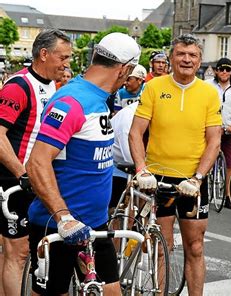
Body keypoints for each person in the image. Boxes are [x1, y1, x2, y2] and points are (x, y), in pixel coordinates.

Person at [25, 32, 140, 295]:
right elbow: (37, 162)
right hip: (58, 226)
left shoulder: (99, 98)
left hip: (95, 224)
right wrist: (64, 218)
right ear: (124, 69)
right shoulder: (72, 101)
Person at [129, 34, 222, 296]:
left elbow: (214, 140)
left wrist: (199, 177)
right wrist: (141, 169)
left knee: (195, 247)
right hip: (156, 178)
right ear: (171, 58)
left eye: (192, 55)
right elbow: (136, 133)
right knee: (161, 246)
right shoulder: (154, 87)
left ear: (200, 61)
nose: (186, 59)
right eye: (181, 54)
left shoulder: (208, 92)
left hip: (192, 181)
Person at [0, 28, 72, 295]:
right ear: (44, 54)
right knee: (16, 252)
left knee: (21, 252)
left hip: (35, 181)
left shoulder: (52, 85)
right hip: (14, 182)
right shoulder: (19, 86)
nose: (67, 64)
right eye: (63, 57)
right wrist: (22, 174)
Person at [206, 57, 231, 208]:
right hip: (210, 130)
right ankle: (201, 190)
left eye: (227, 69)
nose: (224, 72)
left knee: (229, 163)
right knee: (204, 159)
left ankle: (227, 195)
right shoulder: (206, 86)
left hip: (229, 131)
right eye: (221, 69)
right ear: (216, 71)